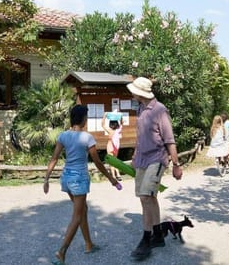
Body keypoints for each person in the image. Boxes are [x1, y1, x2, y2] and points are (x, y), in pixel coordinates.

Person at [43, 105, 119, 265]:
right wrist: (111, 179)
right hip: (79, 180)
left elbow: (54, 158)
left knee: (83, 209)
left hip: (67, 179)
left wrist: (46, 179)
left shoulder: (63, 136)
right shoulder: (87, 138)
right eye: (87, 117)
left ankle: (89, 244)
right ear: (83, 119)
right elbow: (97, 162)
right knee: (77, 216)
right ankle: (62, 251)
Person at [126, 77, 182, 261]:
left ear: (140, 93)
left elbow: (169, 139)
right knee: (147, 199)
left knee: (145, 196)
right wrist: (135, 153)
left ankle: (146, 239)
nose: (131, 92)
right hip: (142, 159)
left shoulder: (160, 110)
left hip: (157, 159)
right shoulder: (141, 108)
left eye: (133, 90)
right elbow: (141, 135)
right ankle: (158, 235)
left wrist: (176, 165)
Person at [101, 112, 123, 181]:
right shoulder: (119, 130)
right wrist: (120, 116)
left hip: (110, 146)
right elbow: (122, 123)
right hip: (116, 147)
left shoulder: (110, 131)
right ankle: (118, 174)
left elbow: (102, 124)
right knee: (115, 160)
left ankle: (113, 176)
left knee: (111, 162)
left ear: (110, 124)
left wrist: (104, 115)